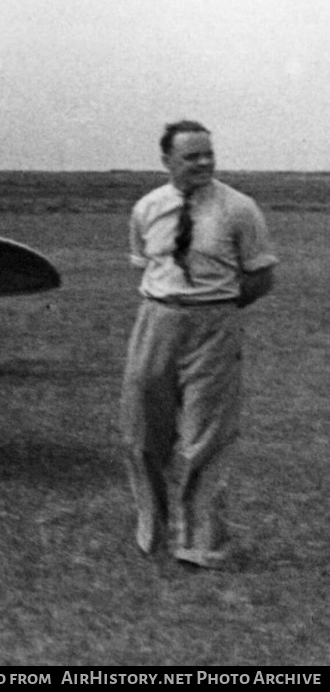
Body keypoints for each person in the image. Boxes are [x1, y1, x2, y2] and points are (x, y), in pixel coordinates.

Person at [121, 121, 278, 569]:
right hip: (156, 321)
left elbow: (262, 276)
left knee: (206, 435)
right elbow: (146, 266)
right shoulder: (147, 208)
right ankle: (151, 533)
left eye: (209, 153)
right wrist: (172, 307)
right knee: (142, 431)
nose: (205, 163)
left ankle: (201, 543)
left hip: (215, 324)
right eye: (192, 157)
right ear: (167, 160)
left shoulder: (239, 209)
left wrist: (216, 311)